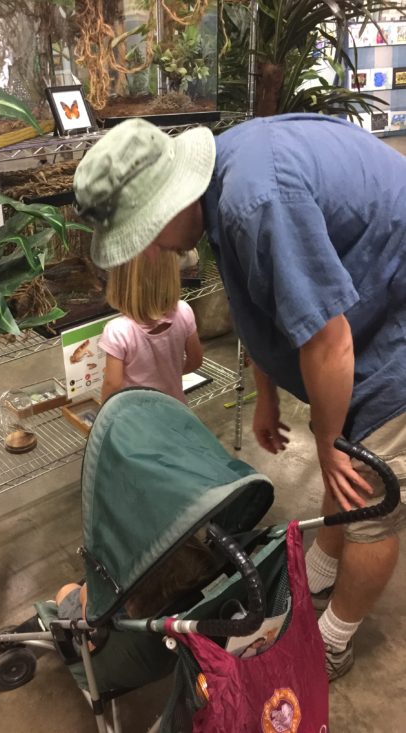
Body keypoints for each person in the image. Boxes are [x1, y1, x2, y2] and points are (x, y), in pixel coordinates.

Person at [72, 114, 406, 681]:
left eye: (147, 230)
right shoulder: (224, 187)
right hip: (363, 303)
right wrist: (267, 392)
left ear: (173, 198)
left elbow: (331, 341)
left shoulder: (256, 202)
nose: (150, 249)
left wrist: (326, 442)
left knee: (371, 489)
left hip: (390, 315)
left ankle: (331, 640)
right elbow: (268, 304)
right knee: (342, 459)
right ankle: (317, 574)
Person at [55, 534, 217, 651]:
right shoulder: (194, 592)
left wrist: (86, 592)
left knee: (67, 590)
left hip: (104, 644)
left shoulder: (124, 620)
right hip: (169, 638)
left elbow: (91, 630)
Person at [98, 249, 203, 404]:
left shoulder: (117, 331)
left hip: (137, 419)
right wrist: (168, 375)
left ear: (120, 282)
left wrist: (103, 417)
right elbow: (196, 360)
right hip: (175, 410)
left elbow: (112, 384)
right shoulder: (184, 311)